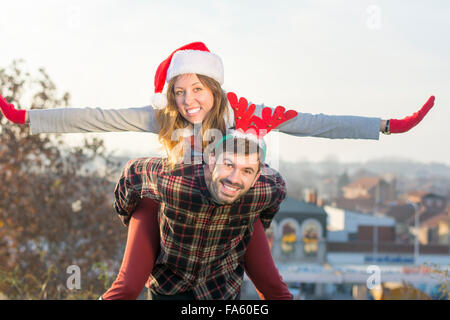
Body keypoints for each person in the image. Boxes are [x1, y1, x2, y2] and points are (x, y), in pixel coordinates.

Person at [0, 41, 436, 299]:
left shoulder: (243, 115)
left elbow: (315, 122)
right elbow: (96, 117)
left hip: (228, 207)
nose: (189, 101)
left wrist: (386, 126)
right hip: (165, 203)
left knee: (273, 286)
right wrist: (27, 119)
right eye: (179, 91)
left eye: (198, 89)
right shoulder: (164, 118)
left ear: (214, 88)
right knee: (128, 286)